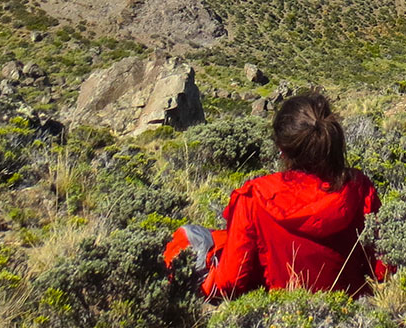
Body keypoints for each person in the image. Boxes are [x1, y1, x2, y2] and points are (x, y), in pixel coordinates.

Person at [165, 91, 387, 299]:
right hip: (350, 309)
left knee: (191, 239)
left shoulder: (254, 197)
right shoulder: (359, 187)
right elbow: (382, 266)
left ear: (282, 149)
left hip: (276, 314)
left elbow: (229, 282)